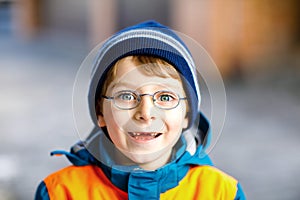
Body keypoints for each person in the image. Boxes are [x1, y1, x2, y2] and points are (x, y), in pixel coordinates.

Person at [35, 21, 245, 199]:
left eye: (165, 97)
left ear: (186, 115)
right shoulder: (59, 192)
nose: (145, 113)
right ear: (100, 113)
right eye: (126, 96)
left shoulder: (221, 192)